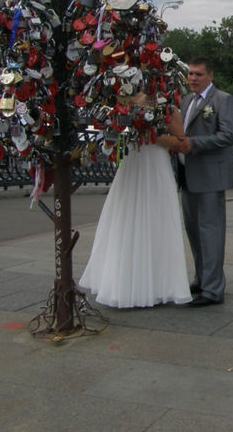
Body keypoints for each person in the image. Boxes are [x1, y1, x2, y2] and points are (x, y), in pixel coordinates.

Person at [80, 94, 192, 308]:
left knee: (157, 223)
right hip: (133, 165)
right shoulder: (125, 102)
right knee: (126, 221)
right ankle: (123, 284)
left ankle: (159, 286)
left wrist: (151, 135)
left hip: (156, 167)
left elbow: (180, 141)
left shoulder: (168, 108)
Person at [177, 56, 233, 306]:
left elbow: (227, 135)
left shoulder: (223, 100)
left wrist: (194, 144)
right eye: (190, 74)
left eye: (198, 74)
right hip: (187, 176)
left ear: (209, 76)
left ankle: (213, 290)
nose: (192, 78)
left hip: (210, 177)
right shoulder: (187, 100)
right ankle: (201, 278)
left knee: (210, 233)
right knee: (193, 231)